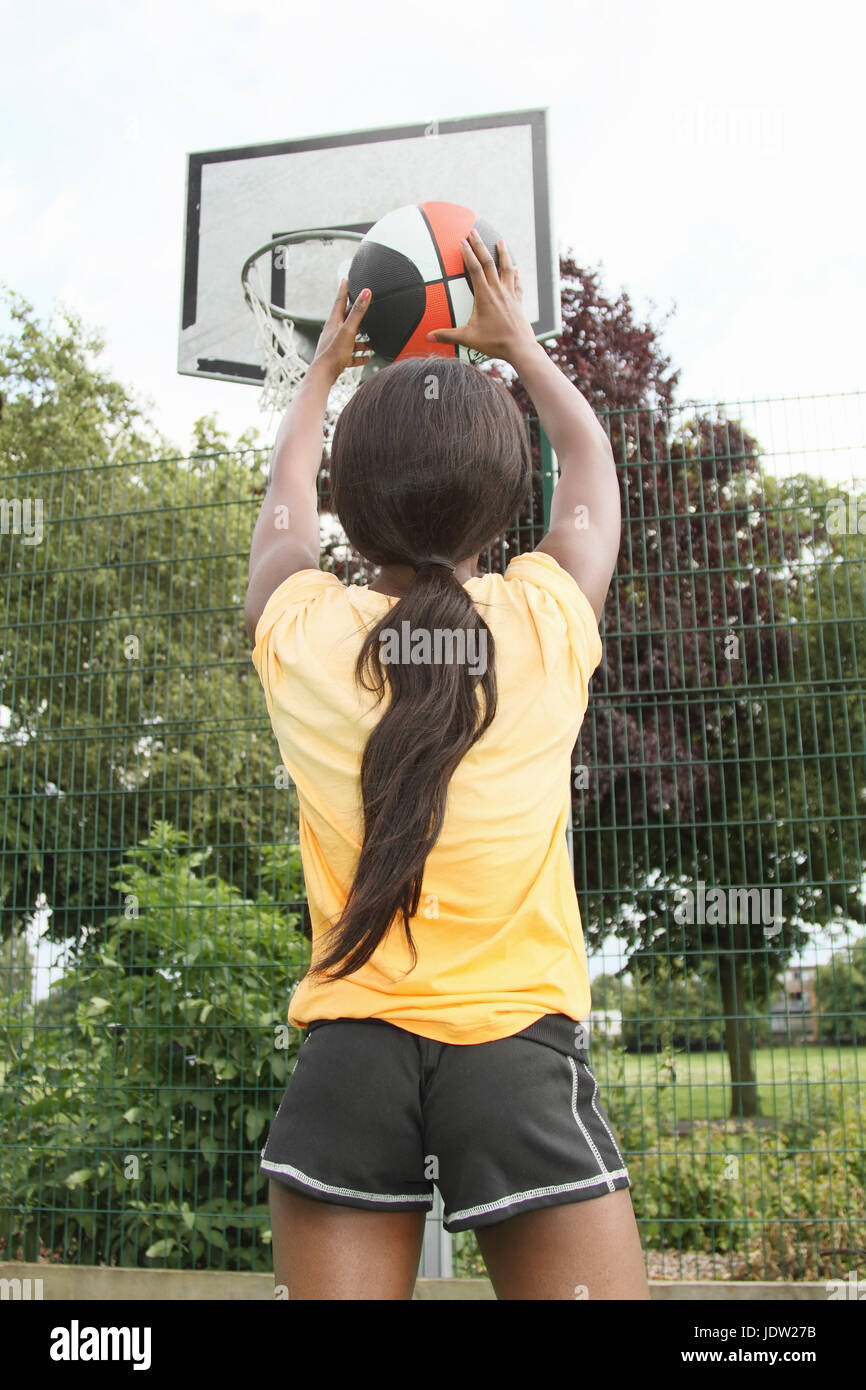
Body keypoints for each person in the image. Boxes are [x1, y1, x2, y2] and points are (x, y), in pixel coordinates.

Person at [244, 229, 649, 1300]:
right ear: (505, 495)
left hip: (350, 1061)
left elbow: (281, 519)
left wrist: (323, 371)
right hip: (514, 1056)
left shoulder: (300, 633)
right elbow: (594, 473)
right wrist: (517, 343)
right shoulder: (546, 619)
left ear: (348, 499)